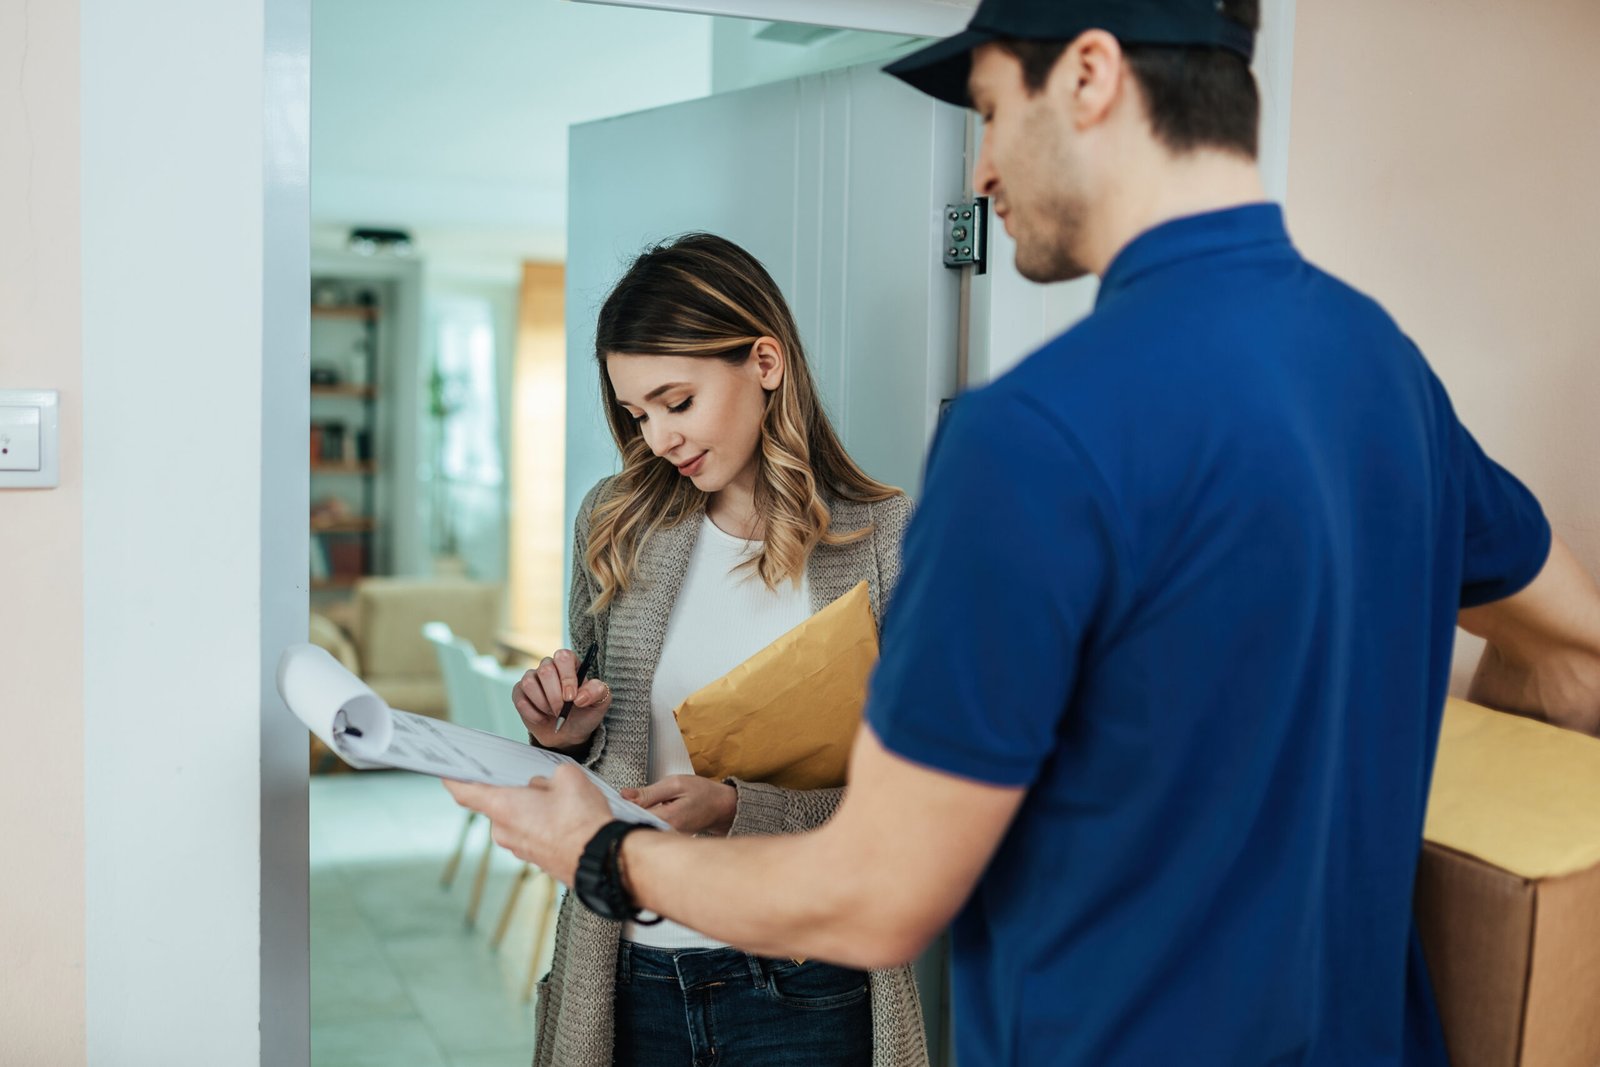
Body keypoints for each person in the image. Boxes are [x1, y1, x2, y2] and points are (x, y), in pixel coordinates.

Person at [449, 2, 1600, 1064]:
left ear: (1089, 75)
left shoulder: (1031, 437)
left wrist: (600, 855)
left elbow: (879, 892)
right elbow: (1571, 652)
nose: (983, 164)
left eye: (993, 109)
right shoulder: (1385, 375)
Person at [507, 232, 928, 1067]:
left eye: (677, 401)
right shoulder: (616, 520)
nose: (659, 436)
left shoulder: (884, 540)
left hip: (807, 984)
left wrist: (740, 810)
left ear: (765, 362)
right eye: (638, 414)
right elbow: (607, 746)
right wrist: (563, 732)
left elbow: (911, 808)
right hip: (627, 974)